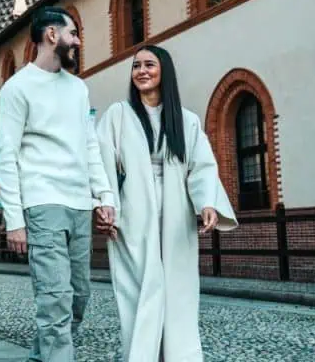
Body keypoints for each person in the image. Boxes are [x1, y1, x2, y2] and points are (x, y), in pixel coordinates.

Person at [93, 45, 238, 362]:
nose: (141, 71)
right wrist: (105, 203)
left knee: (178, 290)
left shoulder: (186, 121)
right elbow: (99, 161)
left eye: (149, 65)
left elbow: (201, 166)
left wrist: (206, 203)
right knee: (138, 289)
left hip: (175, 215)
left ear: (165, 72)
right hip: (133, 214)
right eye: (136, 66)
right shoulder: (118, 115)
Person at [0, 6, 115, 361]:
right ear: (52, 36)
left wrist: (103, 195)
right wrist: (14, 220)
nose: (77, 41)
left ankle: (41, 356)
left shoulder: (78, 89)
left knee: (79, 296)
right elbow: (7, 156)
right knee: (54, 299)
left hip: (80, 204)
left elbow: (89, 144)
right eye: (73, 33)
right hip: (42, 204)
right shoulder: (17, 89)